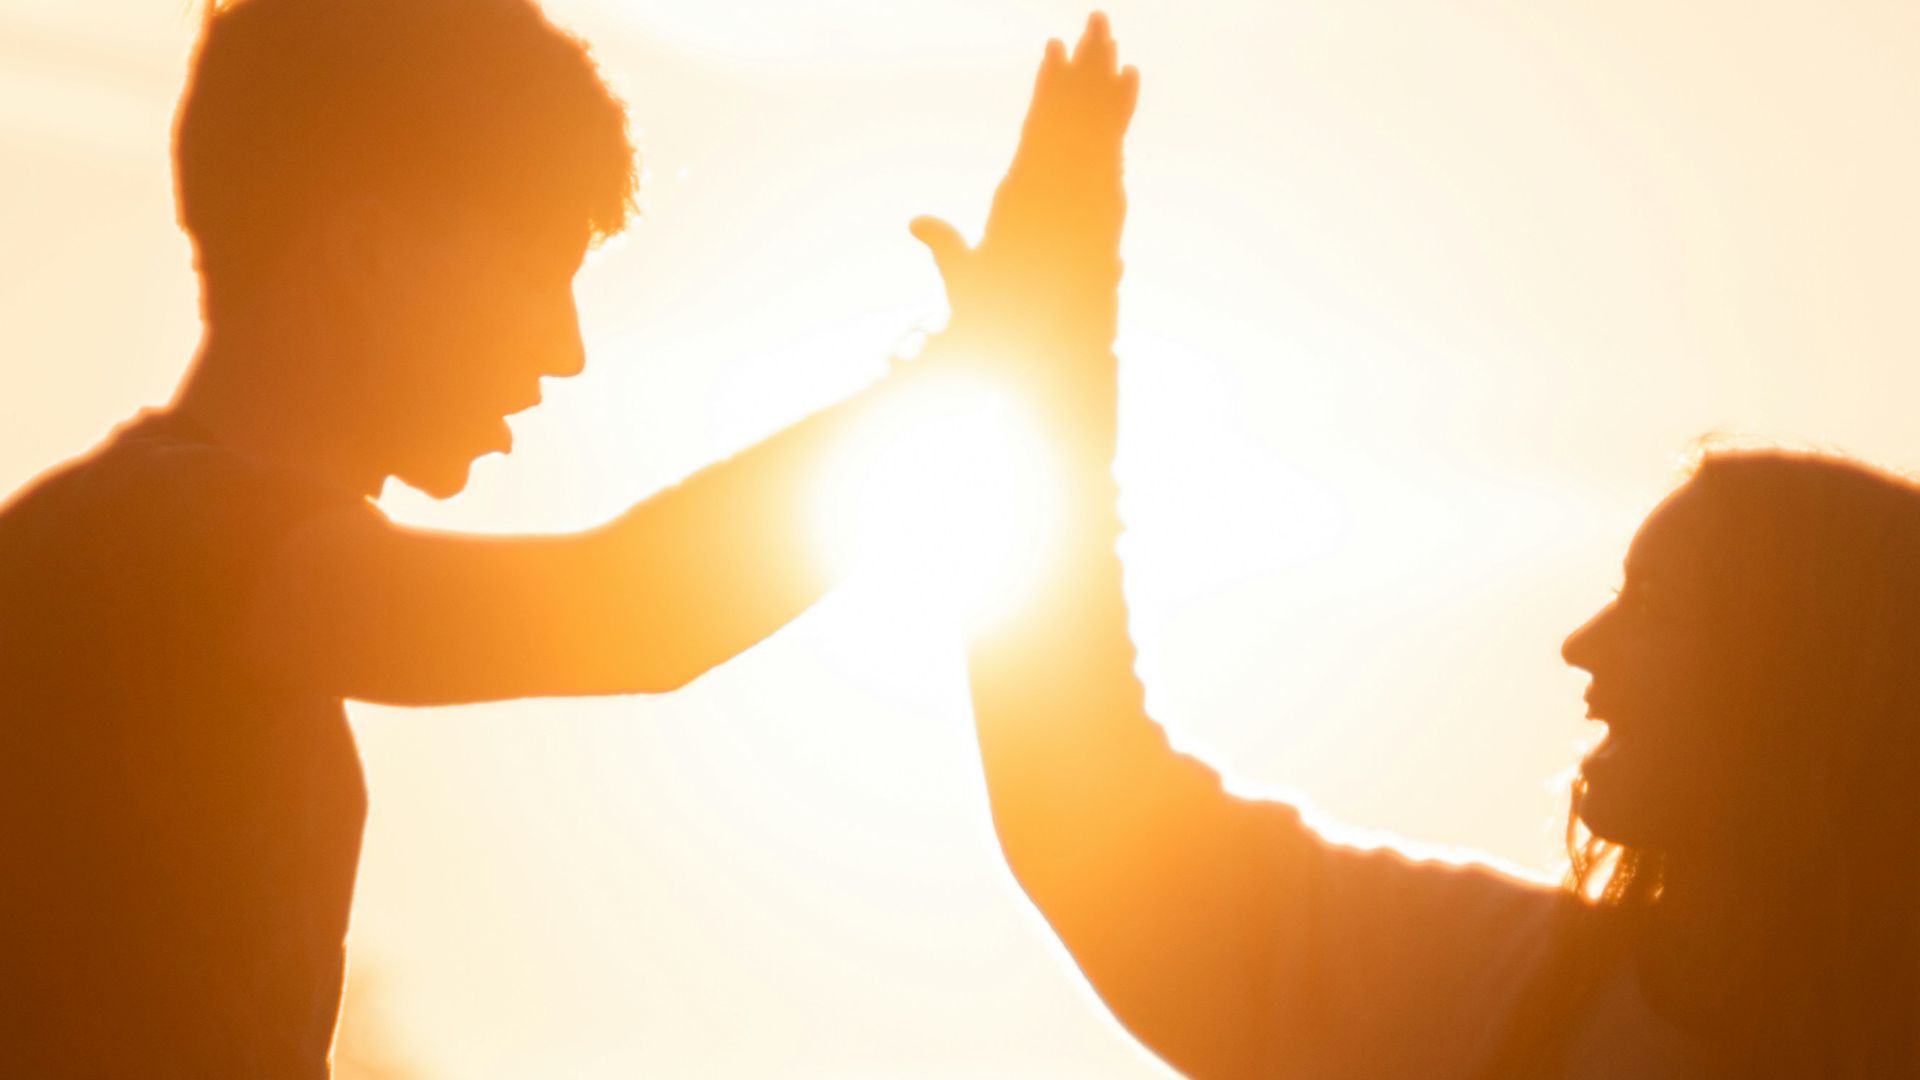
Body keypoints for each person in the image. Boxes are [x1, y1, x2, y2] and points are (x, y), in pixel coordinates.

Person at [0, 1, 1135, 1074]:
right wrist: (957, 381)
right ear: (371, 257)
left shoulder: (117, 538)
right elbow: (625, 615)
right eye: (539, 273)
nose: (567, 351)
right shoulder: (159, 544)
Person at [953, 114, 1920, 1080]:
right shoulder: (1502, 987)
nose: (1582, 644)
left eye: (1656, 603)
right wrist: (1042, 370)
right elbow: (1104, 836)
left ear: (1803, 673)